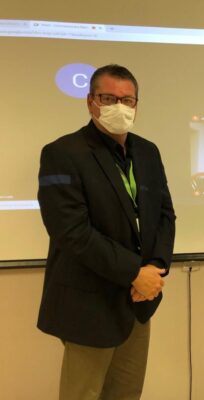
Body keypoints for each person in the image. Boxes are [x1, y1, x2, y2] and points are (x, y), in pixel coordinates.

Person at [37, 64, 176, 400]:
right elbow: (71, 232)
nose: (120, 107)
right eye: (109, 98)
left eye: (128, 100)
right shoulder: (62, 153)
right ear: (90, 103)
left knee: (126, 394)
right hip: (88, 303)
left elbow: (164, 214)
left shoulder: (148, 151)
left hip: (138, 302)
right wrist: (133, 272)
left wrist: (154, 268)